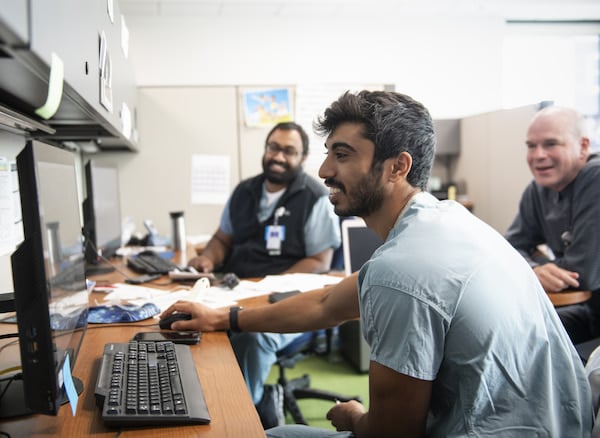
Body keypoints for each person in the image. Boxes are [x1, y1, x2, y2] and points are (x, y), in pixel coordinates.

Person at [163, 91, 591, 436]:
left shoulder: (402, 269)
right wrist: (222, 317)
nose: (326, 169)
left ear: (397, 167)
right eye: (329, 153)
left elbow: (390, 433)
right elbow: (327, 303)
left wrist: (352, 417)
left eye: (343, 155)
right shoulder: (449, 219)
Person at [188, 121, 341, 427]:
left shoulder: (313, 198)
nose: (279, 156)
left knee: (254, 337)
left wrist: (270, 286)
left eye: (289, 151)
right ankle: (202, 400)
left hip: (289, 300)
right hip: (236, 291)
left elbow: (320, 261)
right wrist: (207, 259)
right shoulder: (244, 191)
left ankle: (242, 416)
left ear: (302, 158)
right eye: (274, 147)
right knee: (193, 319)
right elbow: (222, 239)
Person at [505, 105, 600, 345]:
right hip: (586, 309)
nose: (538, 155)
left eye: (551, 144)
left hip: (591, 309)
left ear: (584, 147)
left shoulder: (595, 178)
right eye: (531, 146)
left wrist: (537, 264)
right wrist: (534, 269)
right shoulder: (538, 190)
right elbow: (509, 249)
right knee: (504, 331)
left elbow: (581, 273)